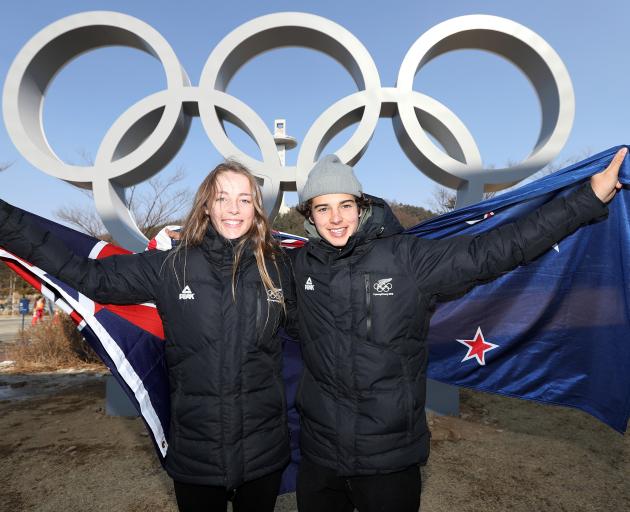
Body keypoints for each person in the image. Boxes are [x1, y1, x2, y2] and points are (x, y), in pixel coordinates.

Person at [290, 148, 626, 512]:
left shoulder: (407, 258)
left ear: (362, 206)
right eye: (323, 208)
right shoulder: (299, 266)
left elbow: (495, 250)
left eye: (344, 205)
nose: (336, 218)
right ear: (310, 215)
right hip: (320, 456)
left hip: (388, 457)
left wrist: (585, 199)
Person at [0, 160, 296, 512]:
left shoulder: (278, 267)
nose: (233, 208)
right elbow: (90, 276)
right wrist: (7, 221)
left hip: (264, 452)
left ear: (257, 210)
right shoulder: (170, 265)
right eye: (222, 198)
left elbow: (319, 323)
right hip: (196, 455)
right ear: (206, 205)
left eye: (245, 199)